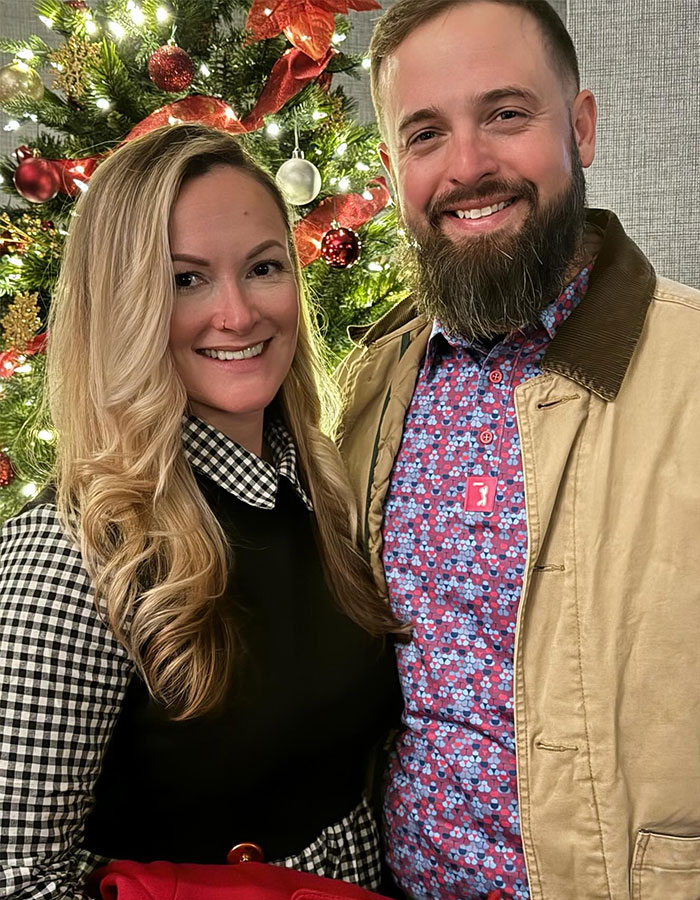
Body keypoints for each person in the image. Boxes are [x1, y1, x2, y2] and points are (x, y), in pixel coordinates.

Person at [336, 1, 700, 899]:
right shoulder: (371, 385)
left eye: (506, 114)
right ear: (390, 171)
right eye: (425, 134)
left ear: (580, 127)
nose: (467, 167)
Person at [0, 123, 406, 897]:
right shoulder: (66, 558)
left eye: (262, 268)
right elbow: (18, 878)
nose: (237, 314)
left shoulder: (325, 486)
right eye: (185, 279)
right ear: (123, 306)